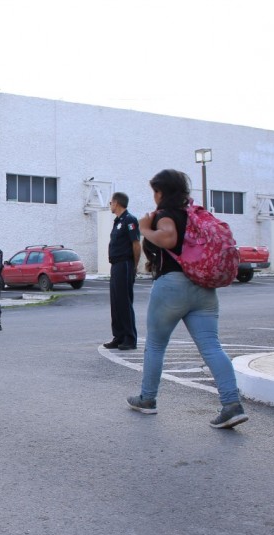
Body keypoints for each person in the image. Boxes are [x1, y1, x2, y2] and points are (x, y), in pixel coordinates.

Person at [127, 169, 248, 429]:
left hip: (172, 285)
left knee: (156, 346)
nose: (154, 196)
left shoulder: (165, 215)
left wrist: (145, 228)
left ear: (162, 192)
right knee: (212, 347)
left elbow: (168, 238)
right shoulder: (196, 216)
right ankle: (231, 405)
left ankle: (147, 399)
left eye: (155, 191)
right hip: (203, 287)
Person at [105, 192, 141, 350]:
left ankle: (129, 338)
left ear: (117, 203)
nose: (110, 205)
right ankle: (118, 336)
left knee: (124, 302)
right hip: (116, 265)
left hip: (125, 264)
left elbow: (136, 244)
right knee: (116, 301)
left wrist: (134, 265)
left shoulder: (129, 220)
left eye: (111, 202)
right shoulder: (117, 221)